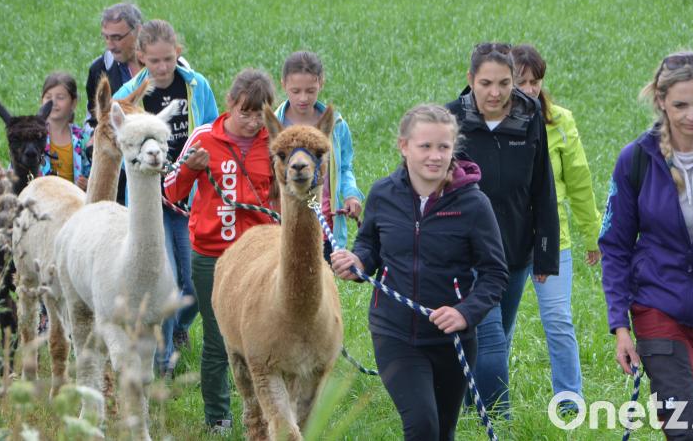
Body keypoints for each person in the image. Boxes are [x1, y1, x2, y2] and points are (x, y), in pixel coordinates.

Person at [600, 51, 693, 439]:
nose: (692, 115)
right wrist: (619, 324)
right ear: (661, 101)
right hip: (658, 308)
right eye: (681, 105)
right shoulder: (635, 160)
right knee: (688, 432)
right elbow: (616, 246)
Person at [331, 104, 508, 441]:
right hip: (394, 332)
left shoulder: (473, 204)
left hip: (452, 338)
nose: (435, 156)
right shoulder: (384, 194)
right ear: (404, 146)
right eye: (425, 146)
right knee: (422, 426)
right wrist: (358, 263)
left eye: (443, 146)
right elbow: (369, 245)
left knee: (443, 432)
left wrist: (464, 312)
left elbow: (494, 274)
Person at [446, 42, 559, 416]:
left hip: (516, 248)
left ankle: (467, 402)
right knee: (491, 337)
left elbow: (542, 188)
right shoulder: (450, 120)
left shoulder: (530, 121)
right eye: (485, 83)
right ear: (470, 80)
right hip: (467, 251)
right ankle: (498, 421)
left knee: (498, 337)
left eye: (504, 83)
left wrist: (545, 253)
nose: (495, 93)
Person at [164, 68, 277, 434]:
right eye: (246, 112)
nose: (252, 121)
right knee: (219, 338)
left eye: (260, 113)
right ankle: (218, 418)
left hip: (259, 257)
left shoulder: (274, 141)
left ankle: (265, 411)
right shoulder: (204, 138)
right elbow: (171, 191)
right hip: (212, 254)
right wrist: (188, 171)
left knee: (262, 337)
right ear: (230, 105)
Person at [113, 19, 218, 378]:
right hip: (149, 201)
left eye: (168, 60)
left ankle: (179, 326)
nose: (161, 68)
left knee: (191, 282)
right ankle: (164, 361)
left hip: (190, 198)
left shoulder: (196, 86)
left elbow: (212, 131)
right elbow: (119, 147)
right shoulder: (127, 98)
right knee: (167, 280)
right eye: (153, 61)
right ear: (140, 56)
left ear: (178, 53)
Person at [510, 44, 602, 412]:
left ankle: (570, 401)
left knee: (559, 321)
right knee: (498, 328)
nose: (530, 89)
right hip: (507, 243)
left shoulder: (561, 121)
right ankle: (491, 403)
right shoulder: (496, 126)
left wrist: (592, 236)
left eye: (535, 82)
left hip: (553, 240)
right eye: (522, 82)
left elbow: (579, 181)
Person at [274, 51, 364, 261]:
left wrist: (351, 194)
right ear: (283, 84)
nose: (303, 98)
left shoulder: (336, 125)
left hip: (324, 224)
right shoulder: (274, 125)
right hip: (284, 221)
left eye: (310, 91)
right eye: (295, 91)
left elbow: (344, 167)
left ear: (321, 83)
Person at [84, 2, 143, 132]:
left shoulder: (164, 62)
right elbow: (92, 120)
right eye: (106, 37)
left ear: (138, 30)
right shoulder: (99, 69)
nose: (110, 45)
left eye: (116, 38)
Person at [39, 72, 91, 190]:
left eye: (60, 97)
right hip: (40, 204)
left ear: (73, 103)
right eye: (48, 97)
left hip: (74, 204)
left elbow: (94, 174)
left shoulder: (83, 139)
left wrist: (87, 184)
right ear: (41, 100)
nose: (53, 103)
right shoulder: (32, 137)